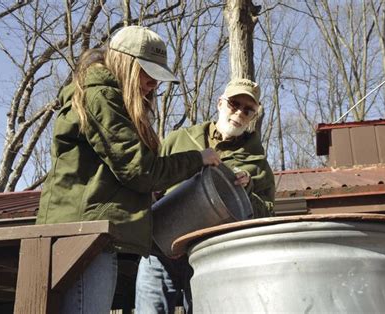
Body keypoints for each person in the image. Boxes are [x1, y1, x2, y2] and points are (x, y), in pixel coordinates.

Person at [36, 25, 221, 314]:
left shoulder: (110, 99)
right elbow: (139, 170)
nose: (153, 85)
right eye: (148, 74)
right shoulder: (100, 96)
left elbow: (123, 172)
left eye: (158, 78)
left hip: (96, 237)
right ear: (125, 63)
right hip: (84, 237)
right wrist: (198, 159)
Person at [135, 78, 275, 313]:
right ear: (220, 103)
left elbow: (267, 212)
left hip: (210, 257)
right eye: (234, 103)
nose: (239, 112)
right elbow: (150, 179)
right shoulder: (178, 139)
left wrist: (246, 191)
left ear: (253, 116)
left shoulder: (257, 163)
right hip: (159, 249)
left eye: (248, 109)